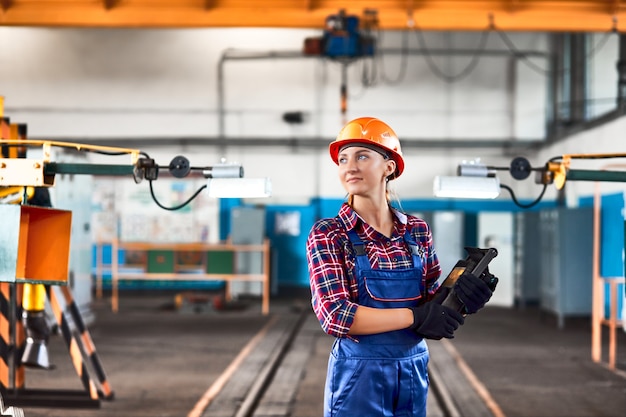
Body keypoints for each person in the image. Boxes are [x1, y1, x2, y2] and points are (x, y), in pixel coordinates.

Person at [306, 116, 495, 417]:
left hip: (413, 368)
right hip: (359, 373)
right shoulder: (329, 234)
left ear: (389, 166)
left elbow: (431, 303)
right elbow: (336, 316)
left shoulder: (416, 231)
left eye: (362, 156)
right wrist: (415, 316)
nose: (349, 166)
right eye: (342, 159)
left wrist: (463, 301)